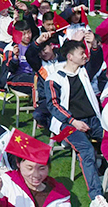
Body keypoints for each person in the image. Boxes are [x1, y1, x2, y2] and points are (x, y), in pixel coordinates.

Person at [45, 39, 108, 205]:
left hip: (93, 120)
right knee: (86, 150)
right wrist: (73, 121)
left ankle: (101, 167)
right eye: (82, 53)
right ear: (70, 56)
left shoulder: (84, 71)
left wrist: (94, 45)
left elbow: (96, 60)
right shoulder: (54, 78)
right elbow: (53, 105)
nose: (85, 56)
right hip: (67, 125)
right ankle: (96, 197)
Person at [0, 156, 71, 207]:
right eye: (29, 168)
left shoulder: (59, 194)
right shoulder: (5, 182)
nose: (36, 174)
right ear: (18, 164)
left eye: (42, 168)